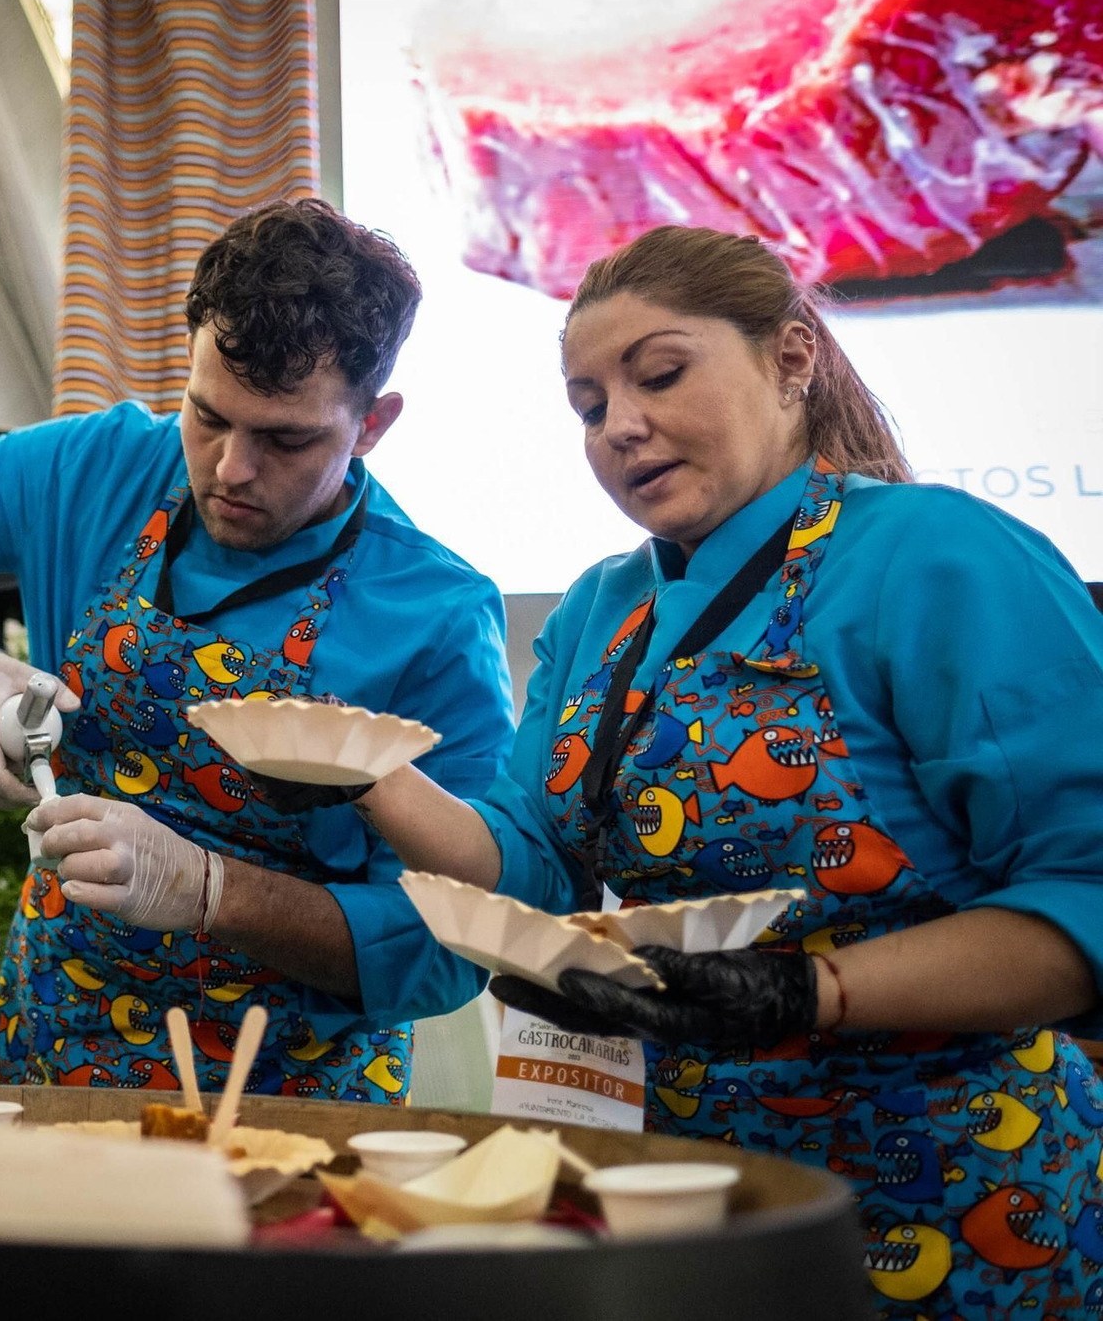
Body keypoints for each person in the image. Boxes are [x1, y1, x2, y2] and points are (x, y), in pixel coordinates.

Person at [265, 225, 1103, 1313]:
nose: (620, 424)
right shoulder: (599, 610)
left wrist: (812, 990)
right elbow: (526, 864)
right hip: (693, 1197)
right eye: (586, 405)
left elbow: (1079, 899)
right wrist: (362, 770)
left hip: (955, 1195)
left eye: (658, 375)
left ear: (790, 358)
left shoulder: (936, 559)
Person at [0, 199, 515, 1102]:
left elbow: (441, 943)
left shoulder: (437, 618)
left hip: (282, 1101)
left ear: (373, 424)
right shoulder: (103, 465)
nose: (230, 468)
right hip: (55, 1045)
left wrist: (212, 889)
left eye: (286, 438)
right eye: (208, 415)